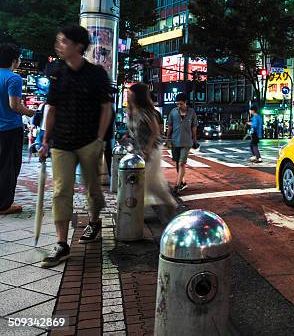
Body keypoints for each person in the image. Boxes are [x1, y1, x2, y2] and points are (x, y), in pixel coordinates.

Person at [39, 25, 113, 268]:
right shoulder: (57, 73)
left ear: (78, 46)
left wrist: (100, 140)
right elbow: (52, 108)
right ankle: (62, 243)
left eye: (63, 41)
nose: (58, 45)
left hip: (89, 142)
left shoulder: (96, 74)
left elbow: (106, 108)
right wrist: (45, 140)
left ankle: (94, 220)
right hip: (61, 142)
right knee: (61, 190)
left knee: (92, 187)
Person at [127, 83, 176, 213]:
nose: (128, 95)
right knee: (145, 182)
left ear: (138, 95)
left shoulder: (147, 111)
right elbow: (133, 131)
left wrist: (148, 149)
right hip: (138, 152)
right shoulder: (132, 110)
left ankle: (169, 203)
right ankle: (137, 211)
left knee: (149, 182)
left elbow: (155, 131)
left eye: (131, 93)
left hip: (151, 151)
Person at [0, 43, 35, 215]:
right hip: (9, 129)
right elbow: (14, 105)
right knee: (9, 166)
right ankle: (4, 205)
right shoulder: (13, 79)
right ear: (14, 60)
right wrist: (32, 112)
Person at [166, 93, 197, 195]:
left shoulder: (191, 112)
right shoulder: (173, 112)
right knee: (177, 163)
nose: (179, 106)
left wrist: (195, 139)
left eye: (181, 104)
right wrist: (167, 139)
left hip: (187, 141)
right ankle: (183, 182)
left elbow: (194, 126)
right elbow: (170, 125)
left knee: (181, 163)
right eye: (177, 104)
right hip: (175, 141)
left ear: (185, 102)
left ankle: (177, 186)